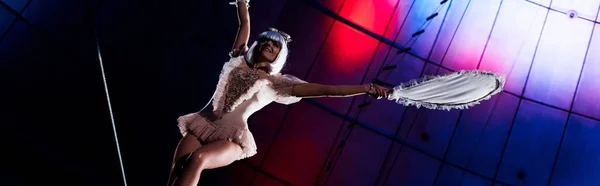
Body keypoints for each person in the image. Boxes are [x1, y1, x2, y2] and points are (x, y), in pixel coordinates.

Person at [166, 0, 390, 185]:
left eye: (275, 46)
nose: (268, 45)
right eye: (264, 41)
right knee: (177, 170)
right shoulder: (238, 60)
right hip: (202, 123)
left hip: (230, 138)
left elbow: (330, 90)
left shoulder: (277, 83)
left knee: (198, 159)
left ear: (279, 56)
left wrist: (367, 89)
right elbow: (244, 22)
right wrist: (242, 3)